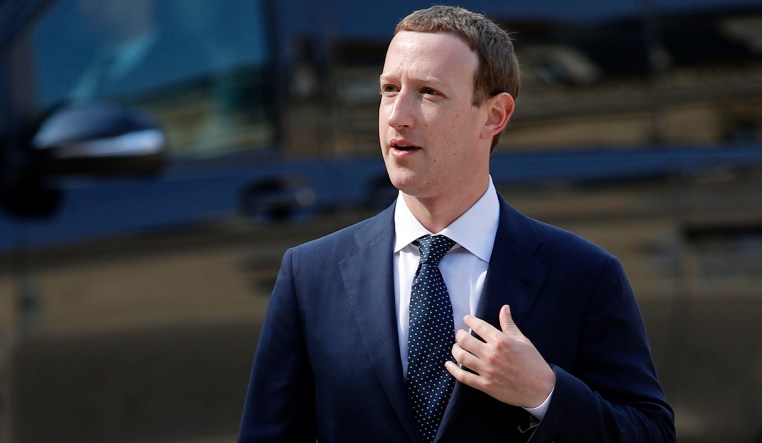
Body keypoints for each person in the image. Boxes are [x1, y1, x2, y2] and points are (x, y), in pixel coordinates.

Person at [237, 5, 675, 442]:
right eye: (389, 89)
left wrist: (545, 394)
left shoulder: (584, 275)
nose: (397, 115)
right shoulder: (311, 274)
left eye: (428, 92)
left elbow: (652, 433)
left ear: (494, 115)